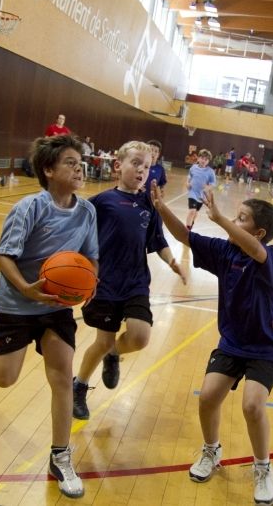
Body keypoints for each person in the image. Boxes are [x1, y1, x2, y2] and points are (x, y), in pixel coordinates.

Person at [0, 134, 99, 498]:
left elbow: (90, 259)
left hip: (56, 308)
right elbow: (4, 257)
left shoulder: (87, 212)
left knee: (61, 377)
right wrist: (26, 289)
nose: (79, 168)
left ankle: (60, 455)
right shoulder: (30, 208)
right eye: (70, 162)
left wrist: (90, 286)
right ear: (49, 170)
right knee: (5, 378)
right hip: (17, 303)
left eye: (80, 162)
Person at [151, 183, 273, 506]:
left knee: (252, 405)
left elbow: (255, 250)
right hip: (232, 342)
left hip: (265, 347)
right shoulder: (224, 252)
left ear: (260, 231)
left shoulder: (270, 257)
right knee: (208, 397)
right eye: (235, 218)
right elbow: (184, 236)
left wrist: (222, 218)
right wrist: (161, 208)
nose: (234, 223)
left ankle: (263, 467)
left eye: (242, 219)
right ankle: (212, 450)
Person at [72, 141, 186, 420]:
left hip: (135, 281)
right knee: (101, 341)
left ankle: (114, 354)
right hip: (105, 283)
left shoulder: (149, 204)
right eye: (135, 163)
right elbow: (77, 235)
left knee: (140, 336)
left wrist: (173, 261)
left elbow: (157, 240)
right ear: (118, 166)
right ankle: (80, 385)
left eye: (146, 167)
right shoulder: (100, 202)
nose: (141, 171)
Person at [185, 149, 217, 230]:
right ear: (198, 158)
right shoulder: (193, 167)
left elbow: (213, 183)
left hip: (201, 197)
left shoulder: (210, 172)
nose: (203, 160)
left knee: (195, 212)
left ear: (208, 161)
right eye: (202, 158)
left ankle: (191, 224)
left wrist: (208, 187)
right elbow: (189, 176)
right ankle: (187, 230)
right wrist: (187, 183)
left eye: (206, 159)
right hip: (192, 193)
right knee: (192, 211)